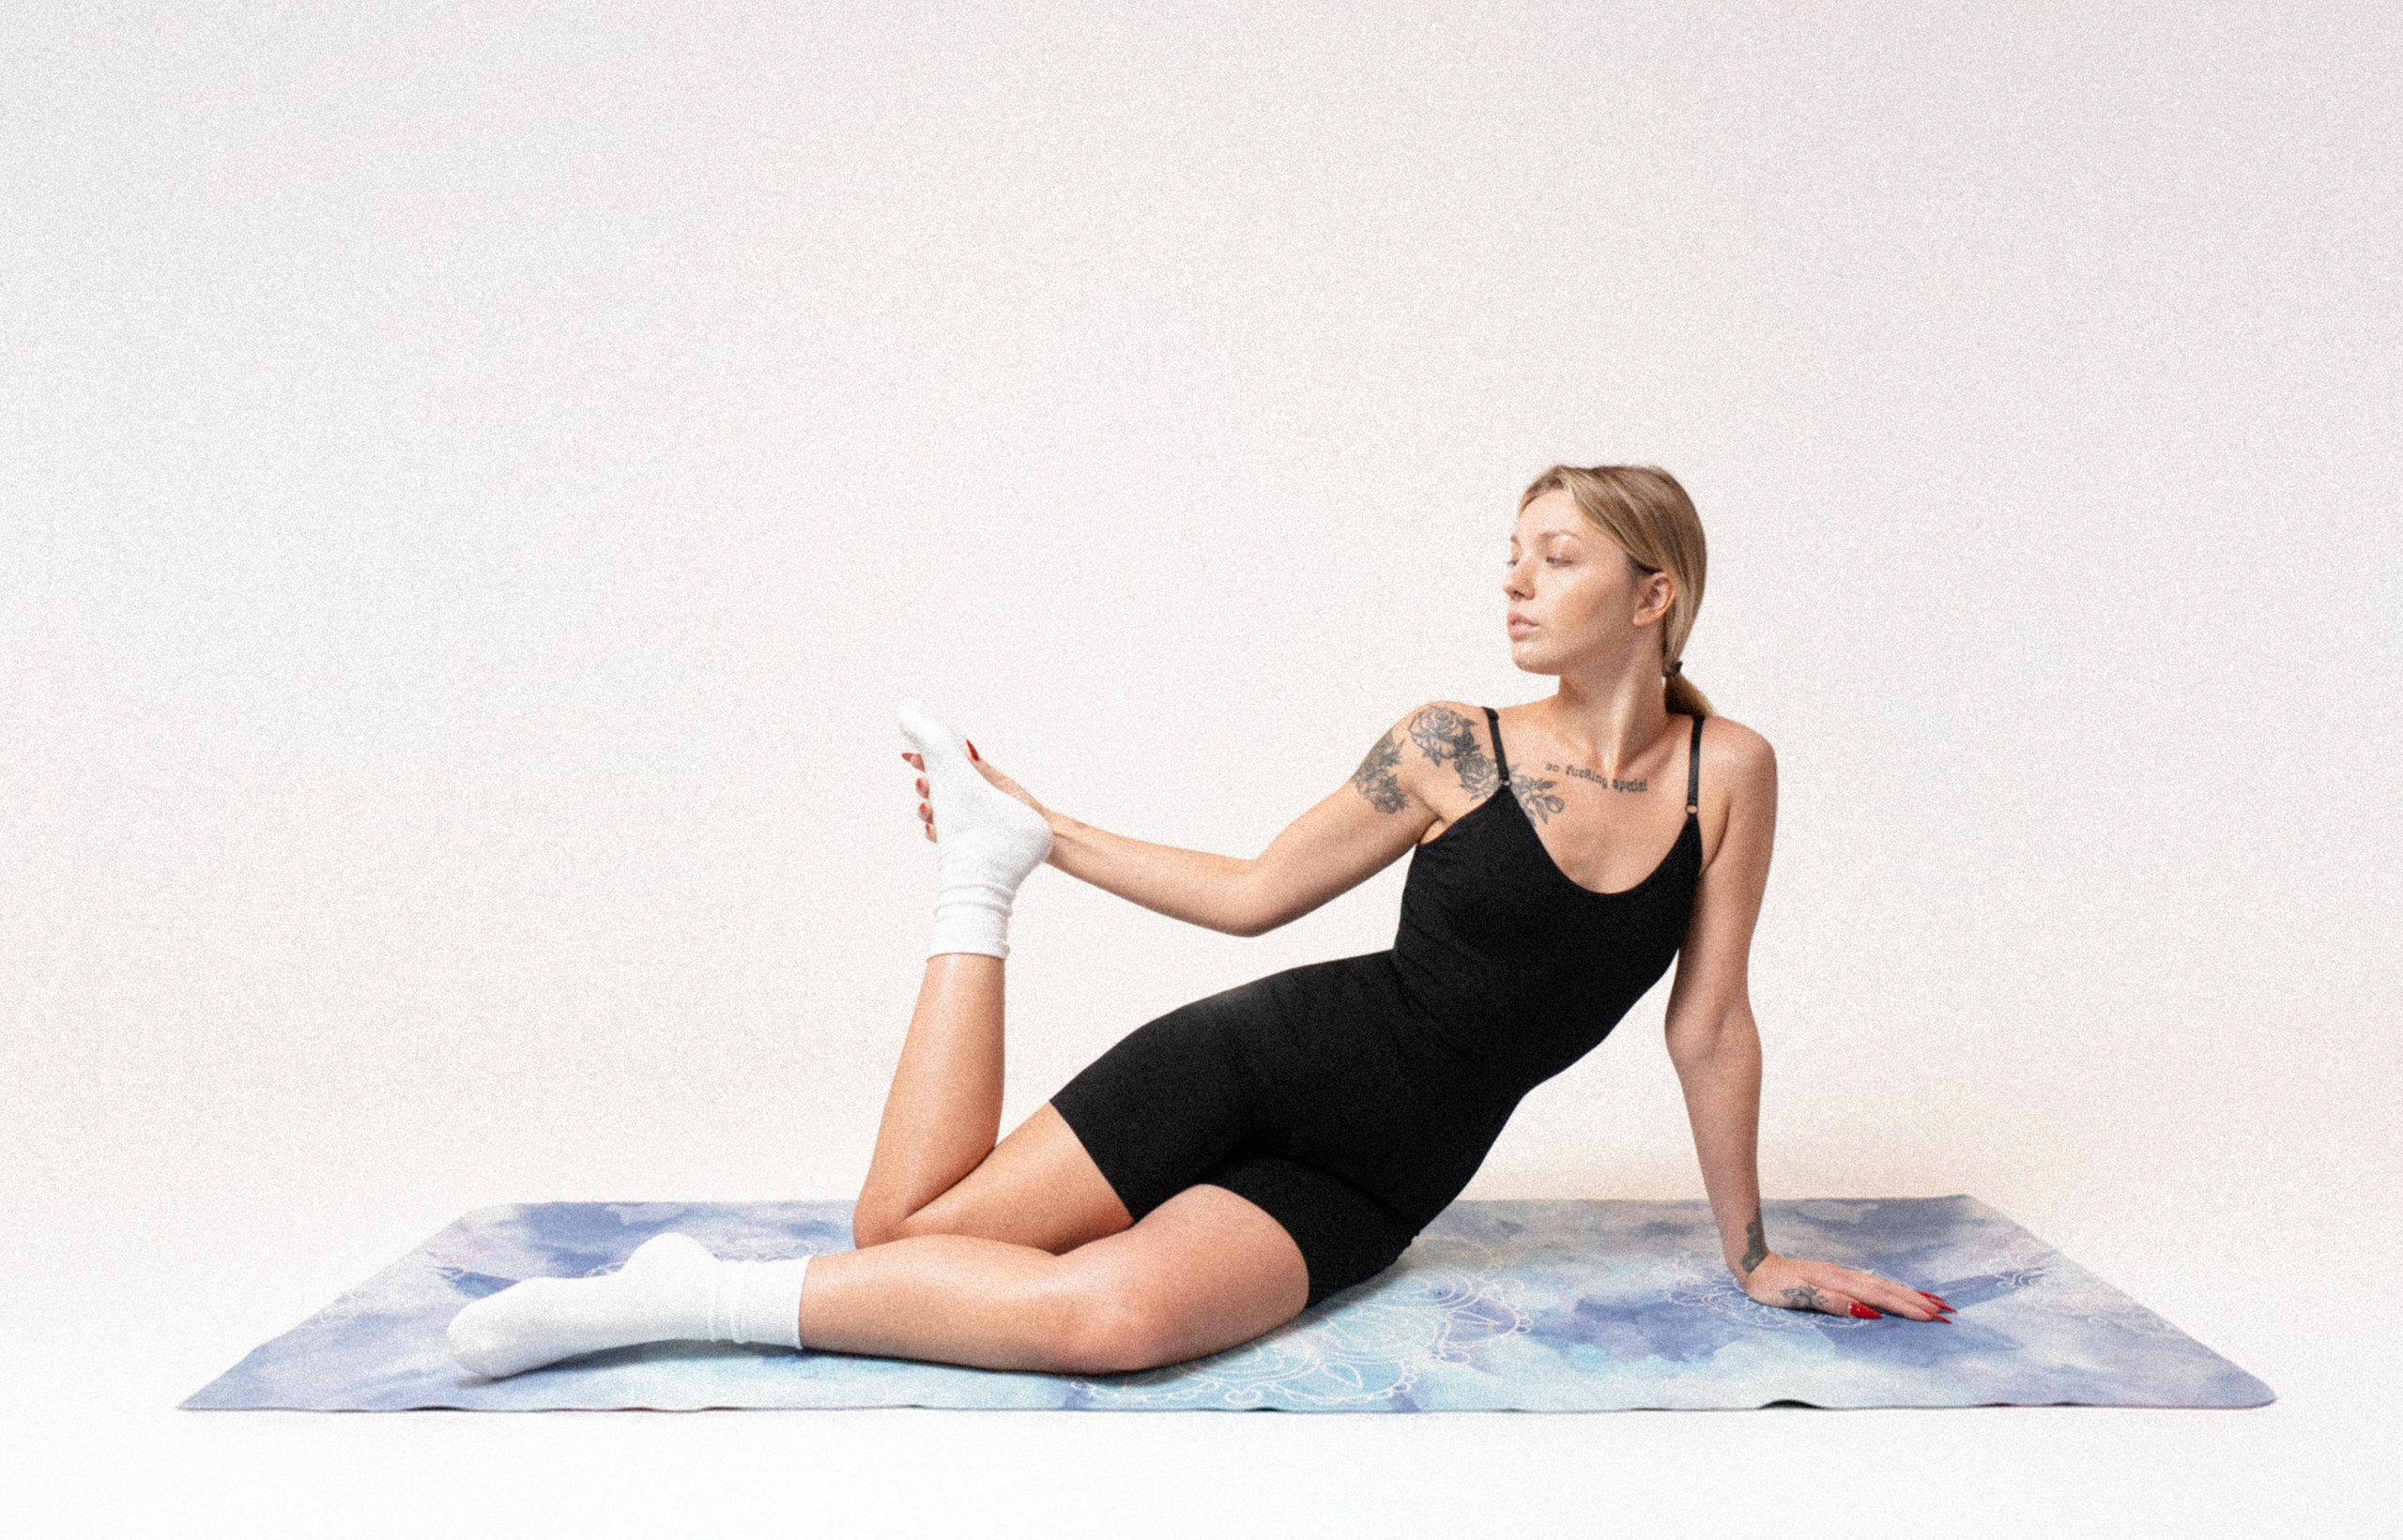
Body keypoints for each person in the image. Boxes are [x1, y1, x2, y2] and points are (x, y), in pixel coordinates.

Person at [447, 464, 1954, 1380]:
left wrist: (1752, 1254)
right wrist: (1051, 829)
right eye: (1510, 550)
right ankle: (979, 877)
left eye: (1555, 555)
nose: (1515, 579)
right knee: (902, 1238)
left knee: (1107, 1325)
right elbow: (1248, 896)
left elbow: (1711, 1024)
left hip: (1388, 1169)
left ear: (1654, 591)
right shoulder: (1450, 744)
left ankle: (689, 1285)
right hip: (1266, 1057)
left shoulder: (1729, 774)